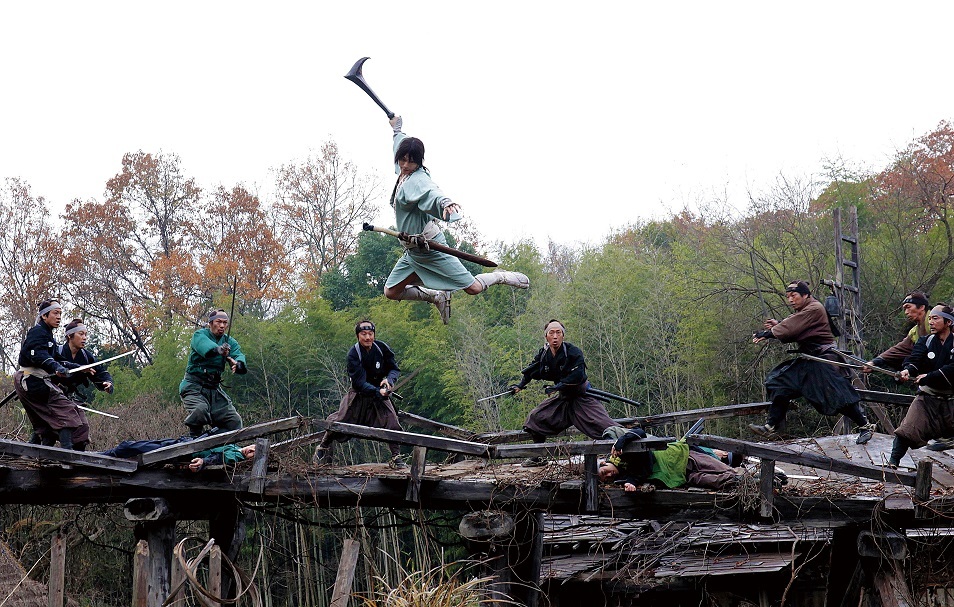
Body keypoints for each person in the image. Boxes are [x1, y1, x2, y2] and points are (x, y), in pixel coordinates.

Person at [382, 115, 529, 324]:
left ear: (419, 162)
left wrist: (445, 203)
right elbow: (399, 141)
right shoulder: (402, 171)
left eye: (411, 161)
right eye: (402, 159)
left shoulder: (418, 179)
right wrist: (397, 129)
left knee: (473, 288)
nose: (405, 165)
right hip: (412, 251)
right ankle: (436, 295)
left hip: (430, 248)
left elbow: (431, 192)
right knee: (391, 291)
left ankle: (501, 276)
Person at [749, 281, 876, 444]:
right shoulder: (805, 310)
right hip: (808, 360)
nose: (790, 300)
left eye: (793, 296)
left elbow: (792, 326)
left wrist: (769, 333)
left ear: (806, 295)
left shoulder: (814, 308)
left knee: (838, 395)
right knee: (778, 382)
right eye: (788, 297)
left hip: (823, 360)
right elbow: (793, 325)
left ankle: (865, 426)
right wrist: (777, 326)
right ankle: (772, 426)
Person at [511, 319, 626, 467]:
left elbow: (577, 375)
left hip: (582, 398)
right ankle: (538, 457)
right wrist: (520, 386)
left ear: (563, 336)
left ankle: (630, 452)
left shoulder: (573, 352)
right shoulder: (544, 354)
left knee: (606, 428)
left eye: (558, 333)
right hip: (563, 400)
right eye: (551, 333)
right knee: (536, 418)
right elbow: (532, 370)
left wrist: (557, 386)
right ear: (546, 336)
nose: (555, 336)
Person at [863, 291, 953, 451]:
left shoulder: (942, 325)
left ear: (922, 308)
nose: (906, 312)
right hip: (932, 387)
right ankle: (895, 460)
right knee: (911, 425)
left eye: (908, 307)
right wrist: (877, 363)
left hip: (948, 383)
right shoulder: (917, 332)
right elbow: (903, 350)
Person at [314, 320, 407, 469]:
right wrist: (378, 391)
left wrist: (388, 381)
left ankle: (396, 457)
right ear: (358, 336)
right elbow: (359, 383)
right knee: (340, 420)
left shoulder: (382, 348)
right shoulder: (353, 354)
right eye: (364, 334)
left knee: (392, 422)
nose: (368, 337)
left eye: (370, 334)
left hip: (379, 395)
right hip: (359, 395)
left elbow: (394, 369)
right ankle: (323, 447)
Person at [13, 300, 90, 450]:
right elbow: (39, 355)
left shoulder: (48, 336)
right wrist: (55, 367)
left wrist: (80, 368)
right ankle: (67, 453)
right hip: (32, 380)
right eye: (55, 313)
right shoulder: (37, 332)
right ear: (44, 316)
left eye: (60, 313)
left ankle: (36, 454)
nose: (59, 317)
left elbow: (58, 359)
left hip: (36, 381)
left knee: (45, 423)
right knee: (68, 410)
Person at [886, 304, 954, 468]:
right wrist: (907, 371)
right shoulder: (926, 341)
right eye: (929, 318)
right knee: (907, 429)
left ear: (949, 322)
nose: (930, 322)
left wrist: (929, 376)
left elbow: (952, 369)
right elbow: (914, 360)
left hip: (952, 400)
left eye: (935, 318)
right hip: (928, 398)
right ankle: (893, 462)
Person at [597, 428, 742, 491]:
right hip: (679, 477)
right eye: (606, 479)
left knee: (724, 469)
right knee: (718, 481)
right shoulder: (621, 479)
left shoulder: (619, 452)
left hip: (682, 456)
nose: (609, 475)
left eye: (604, 472)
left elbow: (640, 434)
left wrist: (622, 440)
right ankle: (744, 481)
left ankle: (748, 479)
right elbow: (643, 472)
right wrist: (631, 482)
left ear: (604, 463)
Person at [179, 309, 247, 438]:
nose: (222, 326)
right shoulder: (199, 335)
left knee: (234, 422)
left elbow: (238, 355)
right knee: (200, 411)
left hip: (214, 390)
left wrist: (238, 364)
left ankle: (217, 446)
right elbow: (205, 348)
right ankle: (194, 441)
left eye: (225, 323)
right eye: (218, 322)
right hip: (194, 387)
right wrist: (219, 350)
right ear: (210, 323)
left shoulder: (229, 341)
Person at [100, 436, 255, 472]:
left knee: (130, 447)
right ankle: (100, 456)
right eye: (253, 448)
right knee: (134, 447)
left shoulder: (236, 456)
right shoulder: (234, 446)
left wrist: (203, 462)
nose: (251, 451)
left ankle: (99, 457)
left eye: (253, 454)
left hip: (182, 453)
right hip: (183, 444)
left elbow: (219, 458)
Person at [55, 318, 115, 403]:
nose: (85, 338)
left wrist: (108, 382)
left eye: (85, 334)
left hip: (69, 399)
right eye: (81, 334)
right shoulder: (57, 352)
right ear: (70, 335)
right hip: (50, 397)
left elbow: (100, 372)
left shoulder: (86, 356)